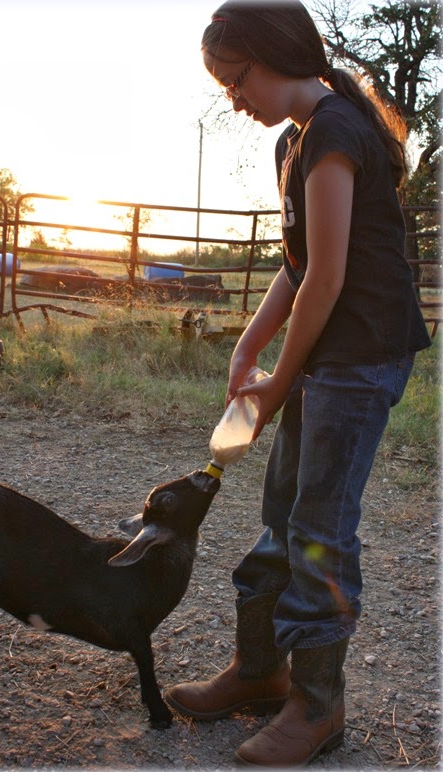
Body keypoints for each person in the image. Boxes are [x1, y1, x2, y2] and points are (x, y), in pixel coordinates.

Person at [164, 1, 432, 767]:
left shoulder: (339, 133)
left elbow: (331, 278)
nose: (232, 96)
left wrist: (279, 382)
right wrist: (248, 347)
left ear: (276, 54)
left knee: (319, 529)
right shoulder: (295, 140)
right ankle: (259, 672)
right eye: (224, 83)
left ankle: (319, 707)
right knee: (280, 509)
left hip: (364, 354)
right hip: (326, 356)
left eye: (236, 77)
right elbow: (297, 265)